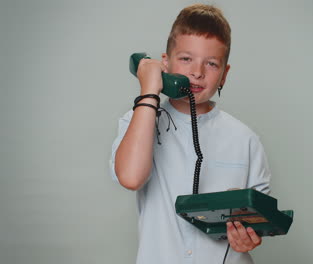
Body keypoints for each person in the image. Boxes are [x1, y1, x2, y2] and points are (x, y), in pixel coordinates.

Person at [110, 4, 271, 263]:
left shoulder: (245, 139)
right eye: (186, 59)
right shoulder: (138, 121)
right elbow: (131, 177)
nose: (197, 72)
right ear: (165, 63)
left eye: (211, 63)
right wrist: (150, 89)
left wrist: (249, 236)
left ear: (224, 74)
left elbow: (259, 221)